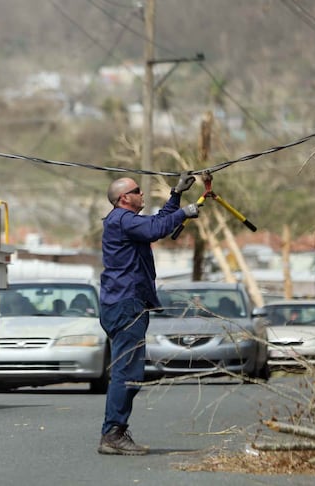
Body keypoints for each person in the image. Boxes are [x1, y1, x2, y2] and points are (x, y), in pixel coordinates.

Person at [97, 173, 199, 455]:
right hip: (126, 304)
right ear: (123, 198)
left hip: (125, 303)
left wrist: (176, 195)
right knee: (127, 372)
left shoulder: (127, 222)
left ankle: (114, 431)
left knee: (129, 371)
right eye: (137, 190)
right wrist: (183, 213)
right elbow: (156, 228)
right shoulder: (121, 219)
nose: (142, 194)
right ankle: (113, 434)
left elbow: (155, 224)